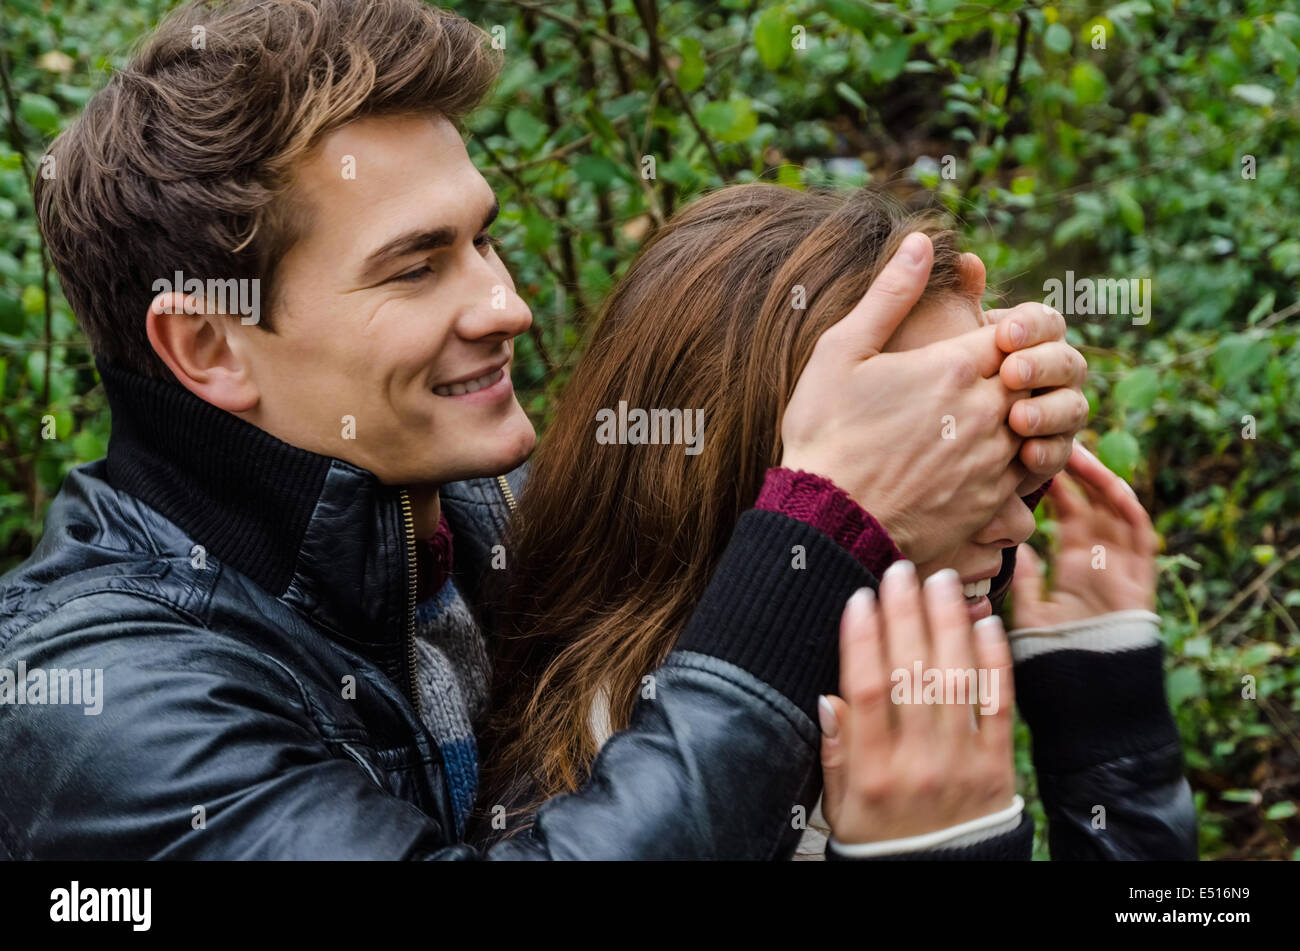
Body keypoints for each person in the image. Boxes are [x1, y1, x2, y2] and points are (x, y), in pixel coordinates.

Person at [0, 0, 1086, 859]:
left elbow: (694, 575)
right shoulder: (104, 706)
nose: (505, 305)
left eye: (486, 240)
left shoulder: (461, 523)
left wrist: (977, 446)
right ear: (212, 346)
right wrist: (825, 523)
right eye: (418, 266)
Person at [477, 185, 1196, 860]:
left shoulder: (856, 730)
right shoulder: (584, 814)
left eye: (1000, 458)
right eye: (937, 457)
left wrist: (1110, 734)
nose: (1018, 524)